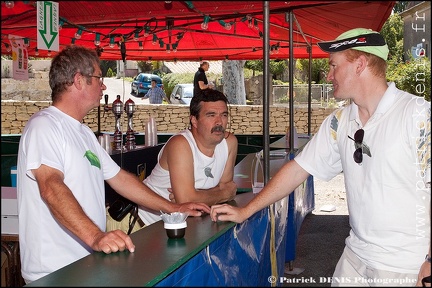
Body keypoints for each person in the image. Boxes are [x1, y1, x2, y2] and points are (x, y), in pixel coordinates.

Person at [210, 28, 431, 286]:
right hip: (356, 255)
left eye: (334, 65)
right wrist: (246, 211)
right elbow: (298, 169)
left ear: (360, 64)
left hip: (406, 264)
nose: (328, 75)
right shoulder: (339, 121)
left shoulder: (416, 115)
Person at [16, 45, 210, 283]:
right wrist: (96, 236)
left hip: (85, 264)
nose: (103, 86)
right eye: (99, 78)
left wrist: (172, 208)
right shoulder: (44, 126)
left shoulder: (84, 133)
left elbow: (121, 179)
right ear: (79, 80)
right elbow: (51, 187)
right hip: (54, 271)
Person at [138, 88, 238, 226]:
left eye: (224, 115)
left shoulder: (229, 142)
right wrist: (223, 194)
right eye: (211, 115)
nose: (219, 122)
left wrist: (196, 196)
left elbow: (226, 186)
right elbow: (187, 200)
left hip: (179, 225)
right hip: (142, 224)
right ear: (194, 120)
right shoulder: (181, 144)